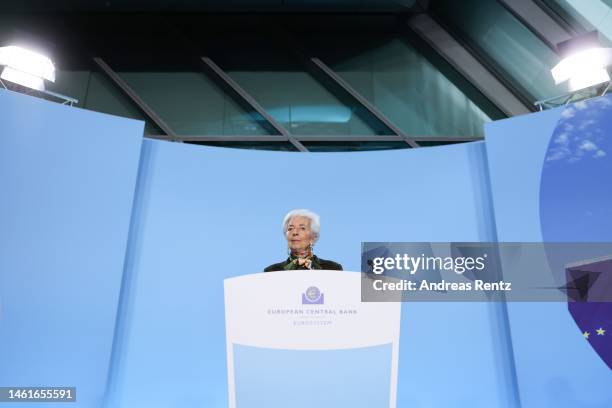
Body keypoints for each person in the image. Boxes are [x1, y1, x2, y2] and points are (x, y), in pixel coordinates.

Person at [264, 209, 343, 272]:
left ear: (314, 237)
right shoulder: (271, 272)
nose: (295, 232)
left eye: (302, 228)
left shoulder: (333, 269)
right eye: (290, 228)